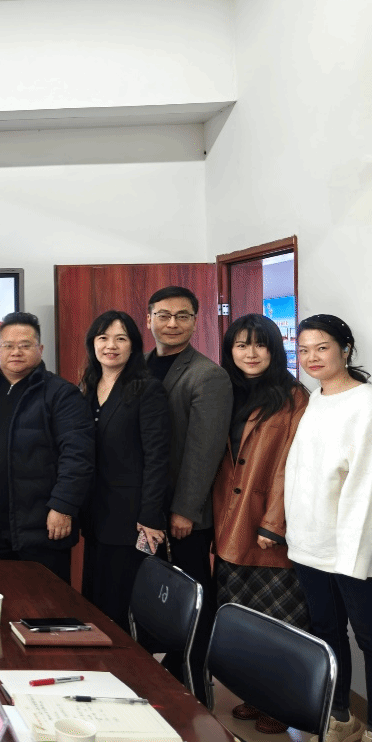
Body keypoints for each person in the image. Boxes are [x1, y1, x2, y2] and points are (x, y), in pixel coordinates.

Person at [285, 314, 372, 742]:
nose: (312, 358)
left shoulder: (371, 406)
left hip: (354, 552)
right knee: (326, 631)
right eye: (304, 350)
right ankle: (341, 717)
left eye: (322, 348)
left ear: (345, 349)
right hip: (310, 546)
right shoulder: (316, 398)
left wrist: (354, 558)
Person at [210, 313, 309, 734]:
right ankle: (254, 694)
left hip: (268, 528)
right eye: (241, 344)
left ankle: (283, 704)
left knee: (280, 620)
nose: (250, 353)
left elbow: (292, 465)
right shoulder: (225, 392)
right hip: (228, 522)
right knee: (245, 621)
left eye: (260, 344)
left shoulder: (293, 397)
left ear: (274, 348)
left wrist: (274, 523)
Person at [144, 285, 230, 702]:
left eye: (182, 316)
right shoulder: (140, 366)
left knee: (193, 597)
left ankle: (194, 682)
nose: (172, 323)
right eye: (163, 315)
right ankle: (163, 674)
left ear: (196, 321)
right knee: (155, 594)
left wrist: (185, 511)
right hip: (147, 509)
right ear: (149, 319)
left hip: (183, 516)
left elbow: (203, 450)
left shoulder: (207, 375)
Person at [0, 312, 94, 582]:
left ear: (40, 349)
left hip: (43, 523)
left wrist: (63, 506)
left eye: (25, 345)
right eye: (8, 345)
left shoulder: (61, 393)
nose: (16, 352)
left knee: (46, 598)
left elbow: (78, 455)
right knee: (1, 593)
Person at [77, 310, 170, 627]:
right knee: (96, 598)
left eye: (121, 338)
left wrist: (151, 515)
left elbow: (158, 457)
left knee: (122, 603)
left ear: (133, 345)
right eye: (103, 338)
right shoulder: (87, 386)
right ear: (93, 343)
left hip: (131, 518)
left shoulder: (146, 389)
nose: (111, 346)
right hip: (95, 514)